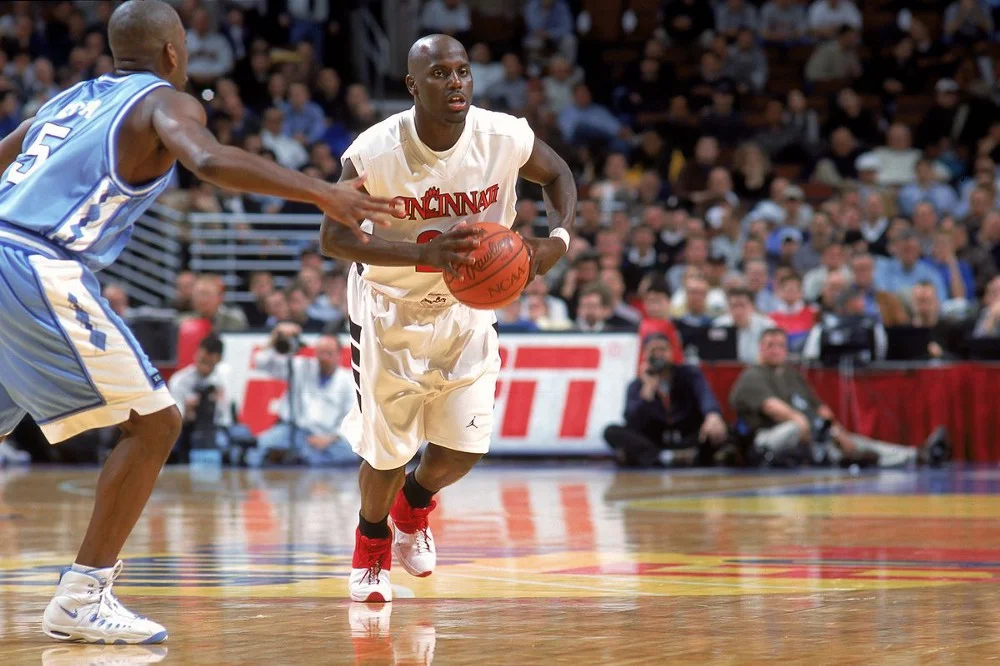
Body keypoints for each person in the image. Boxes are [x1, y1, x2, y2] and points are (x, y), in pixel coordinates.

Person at [0, 0, 394, 644]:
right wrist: (324, 192)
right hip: (35, 260)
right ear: (172, 52)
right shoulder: (165, 101)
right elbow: (208, 162)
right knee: (155, 423)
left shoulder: (68, 100)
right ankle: (82, 596)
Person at [319, 35, 577, 604]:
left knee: (465, 448)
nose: (455, 82)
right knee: (386, 453)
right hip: (389, 310)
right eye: (439, 73)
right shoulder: (375, 151)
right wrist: (424, 255)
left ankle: (414, 506)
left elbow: (558, 173)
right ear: (413, 85)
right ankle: (371, 542)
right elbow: (334, 238)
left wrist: (557, 239)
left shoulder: (503, 136)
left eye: (462, 71)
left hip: (468, 308)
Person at [731, 329, 949, 468]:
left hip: (809, 436)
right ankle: (833, 453)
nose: (775, 350)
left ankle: (915, 455)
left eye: (780, 345)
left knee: (853, 443)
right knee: (798, 427)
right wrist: (804, 423)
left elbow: (821, 409)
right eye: (770, 345)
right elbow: (772, 407)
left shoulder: (791, 375)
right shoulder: (753, 374)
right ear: (760, 348)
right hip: (769, 438)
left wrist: (837, 432)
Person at [603, 333, 728, 468]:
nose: (658, 354)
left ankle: (684, 456)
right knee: (611, 431)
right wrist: (647, 392)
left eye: (662, 349)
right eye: (653, 351)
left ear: (671, 353)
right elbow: (632, 421)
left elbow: (705, 396)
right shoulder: (636, 385)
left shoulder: (689, 374)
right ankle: (665, 457)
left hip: (686, 434)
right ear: (645, 355)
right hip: (654, 441)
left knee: (722, 428)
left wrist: (712, 414)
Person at [248, 323, 357, 467]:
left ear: (339, 354)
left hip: (327, 437)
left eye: (329, 353)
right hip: (294, 432)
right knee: (260, 447)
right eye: (320, 353)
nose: (324, 358)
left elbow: (352, 417)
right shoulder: (301, 367)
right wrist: (276, 336)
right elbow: (261, 362)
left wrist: (331, 438)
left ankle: (305, 458)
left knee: (350, 453)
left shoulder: (348, 380)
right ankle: (304, 458)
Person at [166, 333, 233, 462]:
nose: (204, 367)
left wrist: (216, 403)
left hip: (215, 429)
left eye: (209, 363)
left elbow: (226, 419)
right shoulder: (180, 380)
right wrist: (187, 411)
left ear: (218, 360)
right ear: (196, 354)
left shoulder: (223, 380)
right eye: (201, 360)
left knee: (227, 445)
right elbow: (174, 420)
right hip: (185, 429)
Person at [714, 288, 776, 364]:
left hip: (758, 368)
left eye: (742, 305)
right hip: (727, 368)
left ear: (752, 306)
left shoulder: (767, 326)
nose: (738, 311)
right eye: (733, 306)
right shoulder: (719, 325)